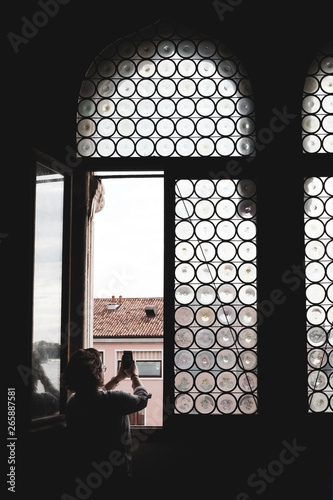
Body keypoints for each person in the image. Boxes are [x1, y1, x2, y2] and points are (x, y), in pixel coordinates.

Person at [62, 348, 151, 496]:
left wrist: (118, 378)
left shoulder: (72, 401)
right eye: (102, 368)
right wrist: (134, 375)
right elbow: (142, 400)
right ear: (96, 373)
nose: (104, 371)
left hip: (83, 471)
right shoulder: (115, 399)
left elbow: (95, 395)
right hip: (114, 473)